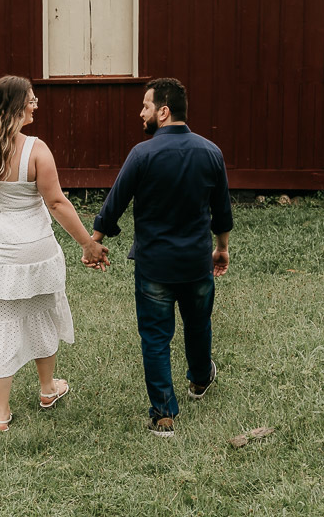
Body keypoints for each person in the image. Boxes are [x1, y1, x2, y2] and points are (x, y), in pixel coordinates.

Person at [0, 75, 109, 432]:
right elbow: (56, 202)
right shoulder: (35, 150)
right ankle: (48, 389)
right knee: (41, 315)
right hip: (32, 252)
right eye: (32, 100)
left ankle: (2, 414)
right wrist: (88, 243)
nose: (36, 104)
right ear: (15, 107)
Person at [89, 77, 232, 437]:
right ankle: (200, 381)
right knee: (198, 325)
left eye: (146, 106)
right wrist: (222, 248)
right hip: (197, 263)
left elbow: (115, 203)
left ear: (163, 111)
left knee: (155, 337)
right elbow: (222, 212)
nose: (141, 113)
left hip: (155, 265)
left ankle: (164, 416)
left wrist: (94, 240)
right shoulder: (211, 152)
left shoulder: (142, 154)